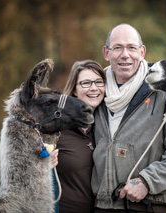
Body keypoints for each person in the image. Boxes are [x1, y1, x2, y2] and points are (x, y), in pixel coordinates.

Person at [91, 24, 166, 213]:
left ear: (142, 52)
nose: (125, 55)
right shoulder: (94, 92)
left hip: (150, 206)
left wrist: (147, 181)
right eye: (117, 47)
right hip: (102, 206)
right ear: (106, 53)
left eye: (131, 48)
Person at [53, 60, 106, 213]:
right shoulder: (56, 128)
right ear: (74, 90)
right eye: (86, 83)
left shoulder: (105, 126)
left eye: (98, 82)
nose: (94, 88)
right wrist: (43, 163)